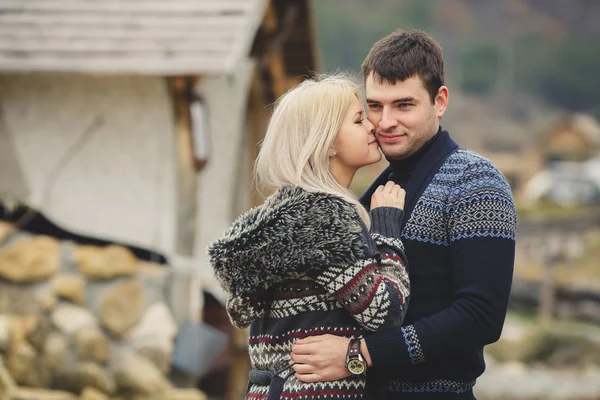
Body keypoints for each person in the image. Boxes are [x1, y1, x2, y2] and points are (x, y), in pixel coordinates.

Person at [290, 30, 518, 399]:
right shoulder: (373, 192)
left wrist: (358, 354)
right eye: (375, 106)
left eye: (404, 105)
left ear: (439, 101)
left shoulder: (476, 181)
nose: (385, 122)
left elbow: (481, 317)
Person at [208, 75, 411, 399]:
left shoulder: (280, 221)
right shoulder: (326, 222)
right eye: (359, 120)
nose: (372, 126)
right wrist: (386, 227)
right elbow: (384, 313)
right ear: (327, 142)